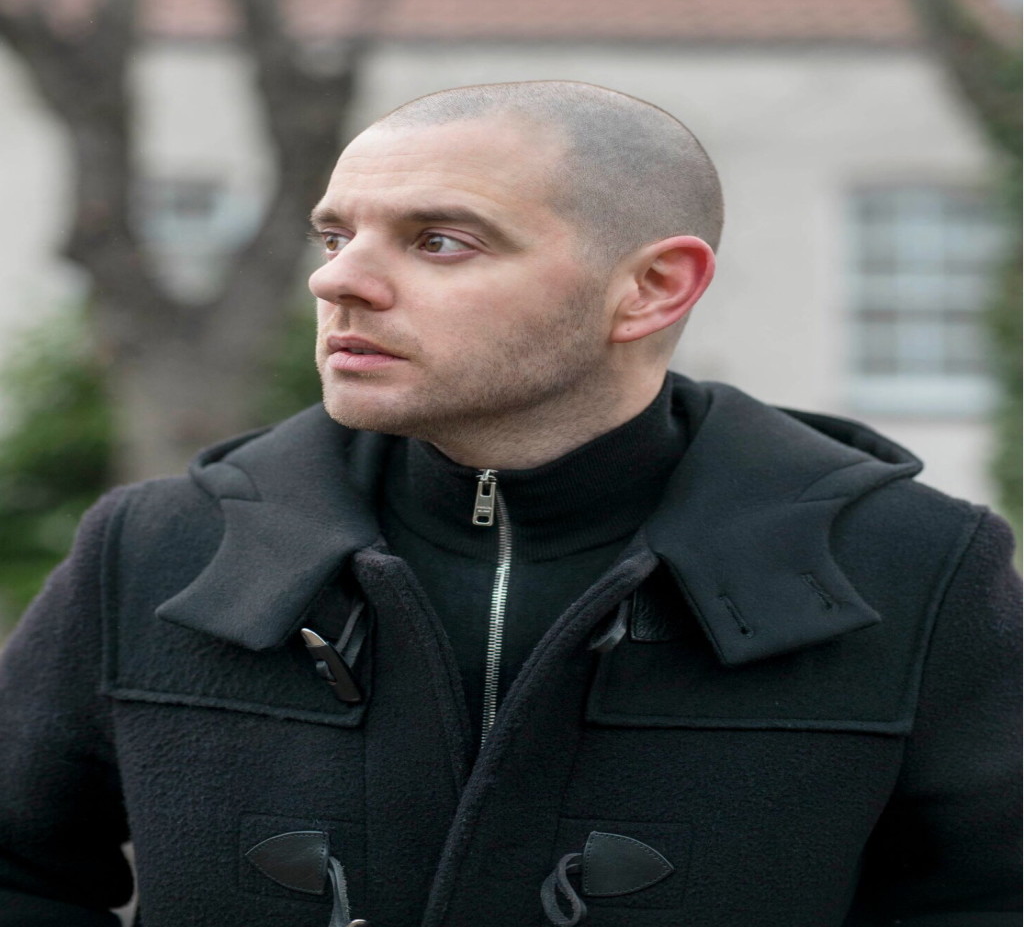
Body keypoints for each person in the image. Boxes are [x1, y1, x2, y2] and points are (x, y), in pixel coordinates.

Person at [0, 81, 1018, 927]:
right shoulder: (155, 548)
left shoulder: (914, 570)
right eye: (335, 235)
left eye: (440, 240)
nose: (340, 282)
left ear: (653, 287)